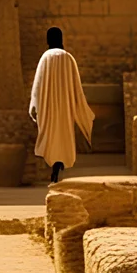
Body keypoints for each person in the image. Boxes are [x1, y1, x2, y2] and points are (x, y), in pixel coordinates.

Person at [29, 26, 94, 184]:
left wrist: (34, 105)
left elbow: (38, 84)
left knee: (50, 137)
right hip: (65, 107)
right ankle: (58, 166)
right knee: (63, 136)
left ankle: (54, 167)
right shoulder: (68, 58)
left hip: (48, 107)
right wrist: (80, 108)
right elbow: (76, 86)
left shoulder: (45, 57)